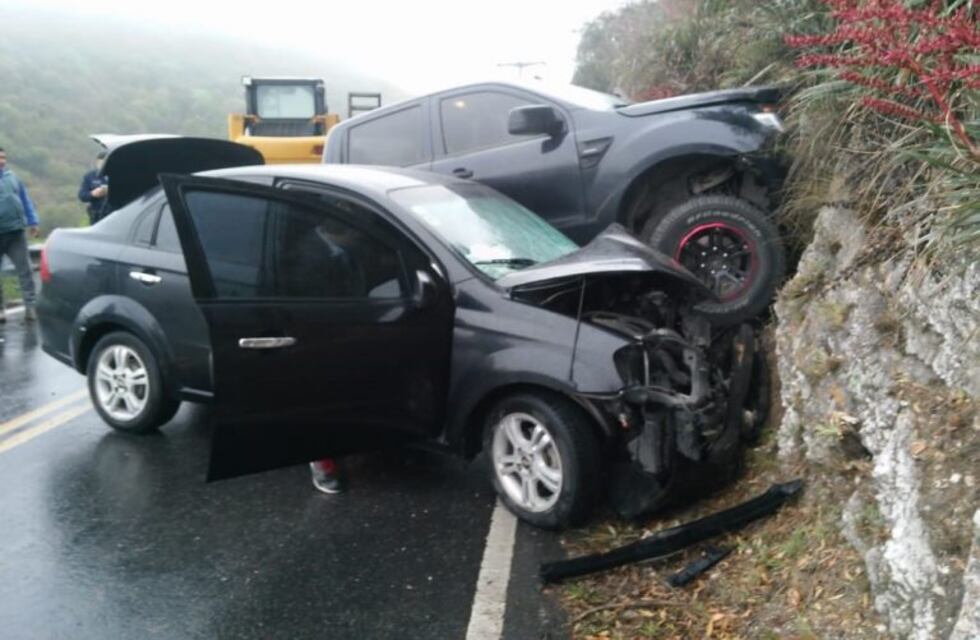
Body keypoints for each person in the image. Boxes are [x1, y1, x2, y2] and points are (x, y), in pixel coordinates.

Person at [0, 147, 41, 323]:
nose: (2, 161)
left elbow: (25, 200)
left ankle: (30, 307)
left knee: (25, 270)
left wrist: (33, 221)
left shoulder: (13, 177)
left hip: (16, 232)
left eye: (3, 157)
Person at [78, 151, 109, 225]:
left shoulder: (118, 175)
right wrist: (93, 194)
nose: (103, 166)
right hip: (96, 215)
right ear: (97, 162)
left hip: (113, 214)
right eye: (101, 163)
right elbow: (82, 196)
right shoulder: (90, 176)